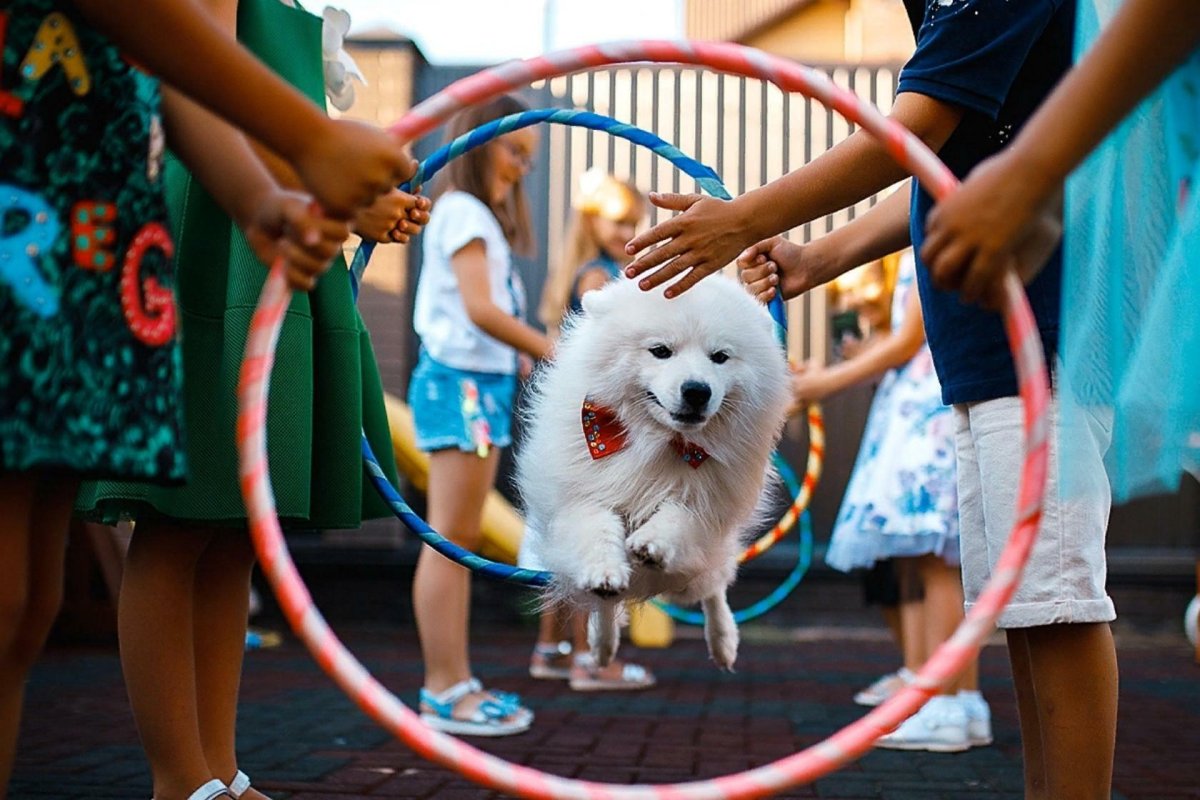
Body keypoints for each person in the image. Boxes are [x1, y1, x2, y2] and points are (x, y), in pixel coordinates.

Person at [629, 2, 1117, 796]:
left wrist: (745, 218)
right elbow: (945, 161)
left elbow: (914, 130)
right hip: (986, 346)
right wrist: (818, 257)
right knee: (1025, 613)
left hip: (1044, 328)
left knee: (1055, 603)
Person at [0, 3, 412, 799]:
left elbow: (168, 64)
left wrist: (281, 192)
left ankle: (212, 772)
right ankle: (181, 777)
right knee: (105, 552)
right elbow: (186, 53)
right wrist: (302, 159)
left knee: (34, 601)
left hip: (100, 214)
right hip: (116, 227)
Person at [772, 246, 990, 752]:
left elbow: (912, 338)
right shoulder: (919, 240)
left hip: (930, 408)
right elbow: (900, 342)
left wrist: (825, 383)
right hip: (913, 405)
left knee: (937, 557)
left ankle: (951, 699)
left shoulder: (936, 232)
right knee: (915, 554)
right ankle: (934, 692)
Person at [408, 93, 552, 736]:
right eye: (513, 149)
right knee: (449, 539)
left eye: (529, 156)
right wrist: (557, 351)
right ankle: (444, 687)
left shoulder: (481, 220)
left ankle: (454, 680)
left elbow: (493, 319)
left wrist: (518, 356)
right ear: (479, 141)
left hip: (483, 385)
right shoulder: (463, 210)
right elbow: (481, 311)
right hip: (460, 385)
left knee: (459, 539)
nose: (522, 165)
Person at [522, 170, 655, 692]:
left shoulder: (578, 273)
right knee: (598, 531)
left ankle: (551, 650)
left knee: (562, 527)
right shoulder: (601, 278)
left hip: (574, 419)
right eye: (619, 220)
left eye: (635, 221)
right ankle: (591, 659)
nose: (629, 230)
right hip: (601, 420)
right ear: (592, 219)